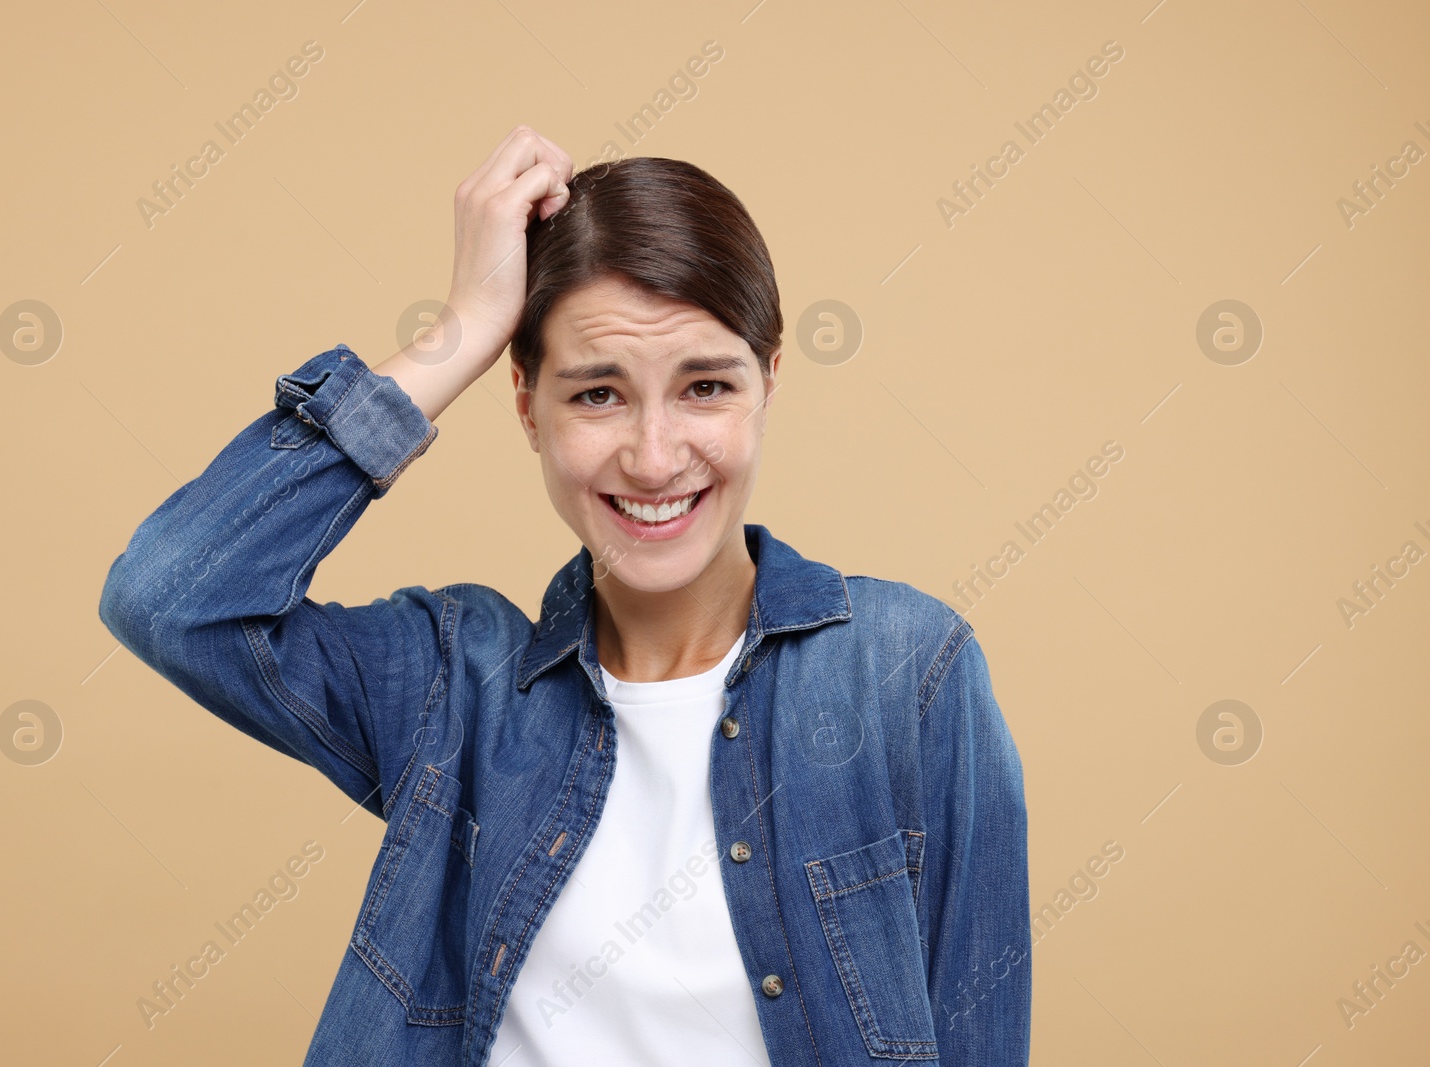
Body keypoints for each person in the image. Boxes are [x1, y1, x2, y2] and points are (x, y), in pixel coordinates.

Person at [98, 125, 1031, 1066]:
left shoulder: (907, 671)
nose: (655, 455)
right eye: (597, 395)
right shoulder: (456, 687)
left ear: (770, 381)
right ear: (523, 403)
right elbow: (170, 598)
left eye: (706, 385)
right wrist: (459, 327)